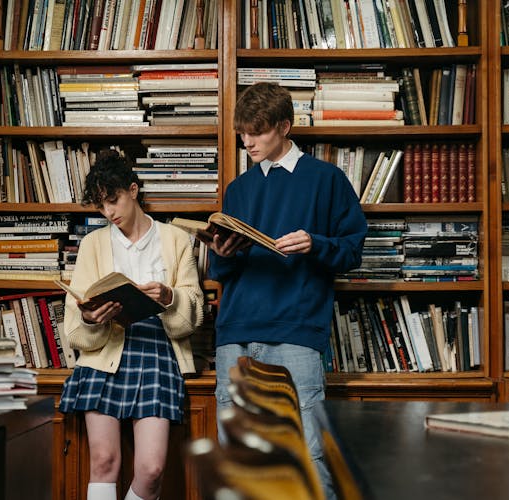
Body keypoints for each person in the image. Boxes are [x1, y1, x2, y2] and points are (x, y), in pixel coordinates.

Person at [205, 82, 367, 499]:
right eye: (242, 132)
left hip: (295, 332)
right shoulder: (238, 189)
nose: (247, 141)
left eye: (256, 132)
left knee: (309, 456)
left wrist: (316, 243)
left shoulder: (325, 180)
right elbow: (224, 271)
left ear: (284, 126)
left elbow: (351, 251)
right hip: (235, 335)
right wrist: (221, 252)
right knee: (239, 462)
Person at [58, 149, 204, 500]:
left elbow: (193, 316)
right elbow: (74, 330)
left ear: (134, 190)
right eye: (101, 206)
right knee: (104, 461)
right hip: (106, 351)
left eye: (114, 200)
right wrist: (91, 318)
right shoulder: (92, 244)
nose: (109, 212)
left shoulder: (175, 239)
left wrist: (169, 297)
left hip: (157, 352)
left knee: (151, 470)